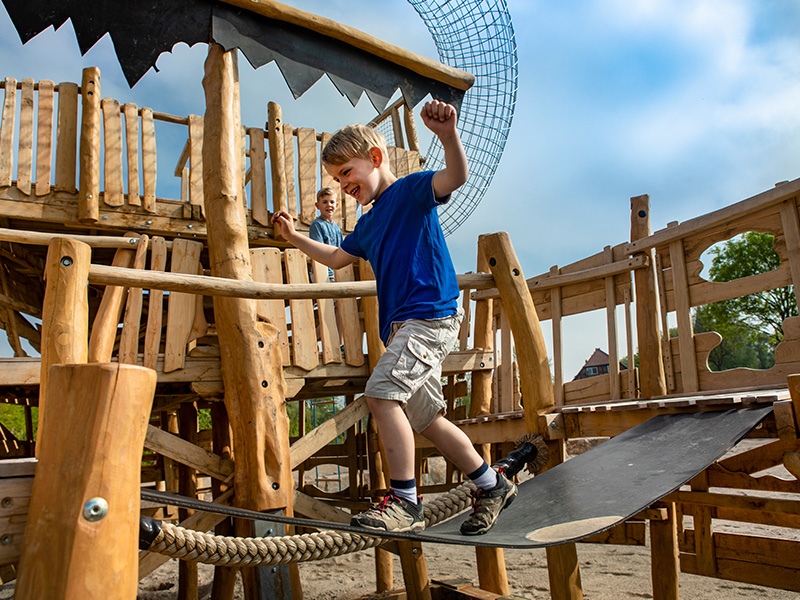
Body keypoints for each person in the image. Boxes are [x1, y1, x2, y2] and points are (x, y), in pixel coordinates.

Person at [272, 99, 516, 536]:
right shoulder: (368, 224)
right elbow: (337, 257)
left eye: (347, 172)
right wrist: (294, 237)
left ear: (375, 157)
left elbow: (455, 177)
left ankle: (404, 501)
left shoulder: (410, 191)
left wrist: (448, 136)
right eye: (336, 179)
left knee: (381, 395)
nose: (343, 183)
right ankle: (491, 484)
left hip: (430, 314)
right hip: (404, 326)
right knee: (426, 419)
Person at [308, 187, 343, 281]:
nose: (329, 205)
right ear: (317, 205)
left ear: (336, 205)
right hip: (322, 271)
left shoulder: (337, 227)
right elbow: (318, 250)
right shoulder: (317, 225)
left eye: (332, 202)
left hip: (336, 272)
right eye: (324, 202)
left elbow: (341, 248)